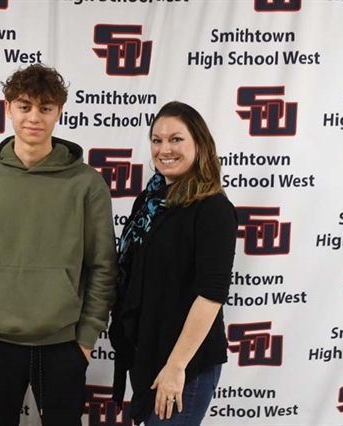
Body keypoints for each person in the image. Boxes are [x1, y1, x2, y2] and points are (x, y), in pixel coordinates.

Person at [0, 63, 117, 426]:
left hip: (63, 344)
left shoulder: (87, 183)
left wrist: (87, 338)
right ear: (8, 108)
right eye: (25, 106)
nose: (34, 117)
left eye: (45, 107)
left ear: (59, 111)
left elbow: (103, 264)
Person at [109, 101, 238, 425]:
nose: (165, 149)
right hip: (149, 353)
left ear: (200, 144)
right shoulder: (150, 201)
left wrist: (176, 366)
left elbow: (211, 295)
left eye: (176, 139)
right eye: (157, 140)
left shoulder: (213, 209)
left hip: (185, 364)